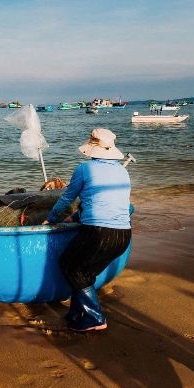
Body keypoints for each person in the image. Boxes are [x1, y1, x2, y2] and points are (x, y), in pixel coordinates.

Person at [43, 129, 131, 331]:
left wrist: (50, 219)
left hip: (99, 232)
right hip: (123, 234)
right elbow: (106, 201)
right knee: (85, 273)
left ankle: (95, 317)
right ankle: (77, 313)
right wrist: (75, 217)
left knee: (70, 266)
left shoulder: (85, 168)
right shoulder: (122, 170)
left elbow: (67, 198)